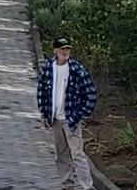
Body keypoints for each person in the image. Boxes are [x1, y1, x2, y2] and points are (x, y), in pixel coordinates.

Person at [37, 37, 98, 190]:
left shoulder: (77, 69)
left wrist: (80, 114)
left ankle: (87, 186)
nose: (65, 52)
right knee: (61, 155)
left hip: (71, 119)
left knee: (77, 154)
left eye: (67, 49)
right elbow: (42, 92)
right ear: (55, 51)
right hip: (55, 119)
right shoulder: (49, 68)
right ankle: (67, 184)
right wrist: (45, 114)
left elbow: (90, 94)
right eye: (62, 49)